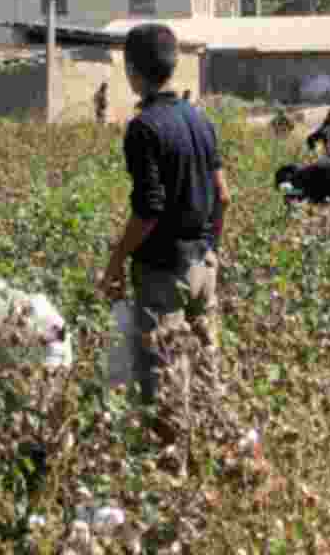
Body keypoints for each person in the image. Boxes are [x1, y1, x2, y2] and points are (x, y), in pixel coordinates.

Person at [98, 24, 231, 421]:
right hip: (203, 264)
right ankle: (217, 454)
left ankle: (175, 475)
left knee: (168, 380)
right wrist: (210, 250)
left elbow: (149, 209)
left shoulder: (144, 128)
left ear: (131, 69)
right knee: (208, 372)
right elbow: (224, 196)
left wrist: (116, 261)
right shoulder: (200, 120)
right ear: (173, 66)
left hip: (163, 272)